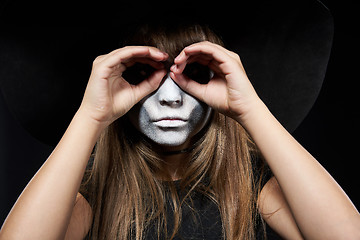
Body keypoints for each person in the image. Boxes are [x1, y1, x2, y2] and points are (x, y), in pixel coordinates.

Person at [0, 24, 359, 240]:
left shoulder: (251, 185)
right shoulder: (91, 192)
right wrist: (91, 115)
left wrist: (250, 108)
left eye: (195, 73)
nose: (170, 98)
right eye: (144, 74)